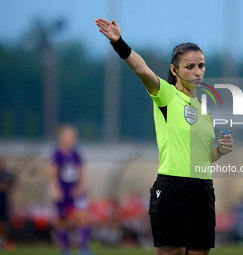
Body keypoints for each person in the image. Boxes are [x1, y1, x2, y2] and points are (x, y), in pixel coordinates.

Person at [95, 18, 234, 255]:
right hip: (173, 188)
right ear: (174, 70)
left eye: (201, 65)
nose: (197, 71)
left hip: (203, 191)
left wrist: (219, 151)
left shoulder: (204, 109)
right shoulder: (166, 95)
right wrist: (119, 43)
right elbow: (141, 69)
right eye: (189, 66)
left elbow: (200, 158)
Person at [48, 125, 91, 255]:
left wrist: (80, 187)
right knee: (62, 220)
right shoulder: (57, 154)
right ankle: (65, 249)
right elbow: (52, 174)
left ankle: (83, 248)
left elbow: (81, 171)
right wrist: (55, 189)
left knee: (82, 217)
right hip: (63, 191)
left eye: (73, 137)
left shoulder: (76, 154)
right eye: (69, 137)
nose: (72, 139)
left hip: (75, 191)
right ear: (62, 138)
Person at [0, 157, 14, 250]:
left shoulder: (7, 174)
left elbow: (11, 185)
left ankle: (3, 241)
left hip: (4, 200)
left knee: (4, 222)